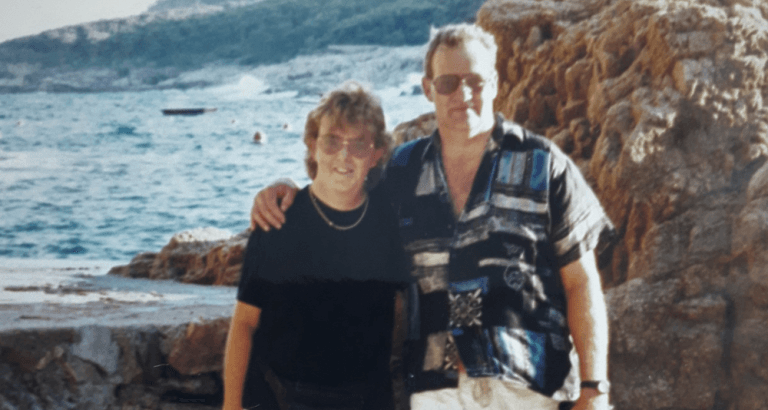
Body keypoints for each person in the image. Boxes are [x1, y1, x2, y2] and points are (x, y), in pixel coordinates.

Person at [251, 24, 613, 410]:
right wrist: (285, 190)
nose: (463, 94)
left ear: (494, 83)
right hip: (435, 390)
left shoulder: (544, 165)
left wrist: (594, 389)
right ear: (428, 90)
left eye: (475, 80)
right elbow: (339, 201)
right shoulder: (400, 172)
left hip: (528, 388)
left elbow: (582, 283)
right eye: (448, 83)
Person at [223, 81, 410, 410]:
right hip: (285, 399)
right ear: (312, 146)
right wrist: (231, 405)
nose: (344, 154)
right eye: (332, 141)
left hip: (369, 400)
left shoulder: (390, 217)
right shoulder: (278, 220)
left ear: (376, 153)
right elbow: (244, 324)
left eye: (358, 144)